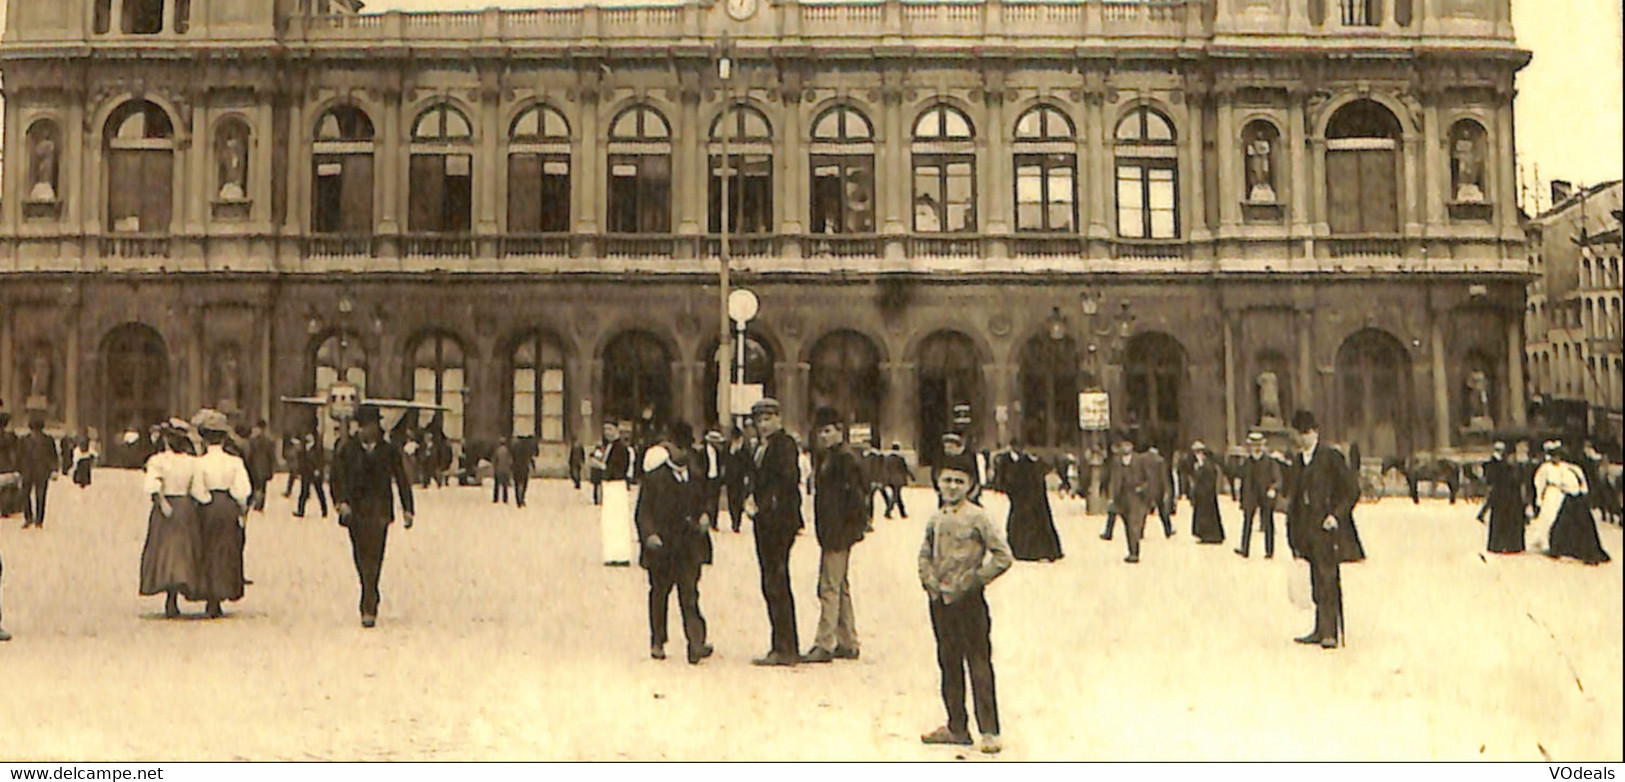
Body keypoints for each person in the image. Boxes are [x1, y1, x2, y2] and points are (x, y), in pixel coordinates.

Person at [918, 458, 1012, 755]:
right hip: (941, 602)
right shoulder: (936, 518)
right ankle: (956, 726)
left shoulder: (978, 518)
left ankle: (989, 730)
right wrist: (929, 582)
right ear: (938, 483)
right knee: (948, 662)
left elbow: (1003, 556)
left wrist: (976, 580)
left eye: (959, 481)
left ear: (971, 485)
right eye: (947, 480)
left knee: (978, 662)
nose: (952, 487)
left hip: (969, 602)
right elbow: (924, 554)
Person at [330, 405, 416, 627]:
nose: (372, 430)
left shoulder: (388, 451)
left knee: (375, 557)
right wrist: (340, 503)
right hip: (355, 512)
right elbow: (336, 478)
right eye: (368, 426)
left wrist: (408, 508)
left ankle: (368, 603)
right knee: (360, 557)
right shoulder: (347, 449)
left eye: (375, 425)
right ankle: (370, 590)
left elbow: (401, 479)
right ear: (360, 427)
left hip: (379, 511)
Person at [635, 420, 714, 664]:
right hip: (662, 548)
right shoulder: (655, 478)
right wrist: (650, 535)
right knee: (660, 594)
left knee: (689, 594)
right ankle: (658, 640)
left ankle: (696, 642)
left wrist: (706, 515)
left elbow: (707, 500)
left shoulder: (696, 474)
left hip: (689, 546)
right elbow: (643, 511)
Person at [1284, 410, 1361, 650]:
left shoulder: (1330, 457)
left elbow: (1351, 490)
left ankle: (1330, 632)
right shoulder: (1297, 462)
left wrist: (1335, 516)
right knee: (1316, 579)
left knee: (1328, 578)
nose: (1303, 438)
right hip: (1306, 529)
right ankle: (1319, 629)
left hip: (1327, 529)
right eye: (1300, 434)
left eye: (1307, 433)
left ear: (1315, 432)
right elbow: (1294, 498)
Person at [804, 407, 868, 664]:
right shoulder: (832, 457)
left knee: (829, 586)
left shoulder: (842, 459)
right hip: (834, 530)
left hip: (837, 531)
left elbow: (855, 497)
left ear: (839, 431)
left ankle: (825, 642)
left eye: (828, 431)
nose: (824, 436)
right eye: (821, 432)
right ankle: (848, 640)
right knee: (839, 585)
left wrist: (850, 528)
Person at [747, 397, 804, 667]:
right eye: (759, 420)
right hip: (765, 521)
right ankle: (780, 643)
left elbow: (786, 480)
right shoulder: (762, 446)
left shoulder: (784, 445)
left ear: (779, 419)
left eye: (768, 419)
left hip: (778, 522)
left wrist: (764, 504)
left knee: (777, 581)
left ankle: (786, 647)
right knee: (771, 582)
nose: (764, 424)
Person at [140, 420, 209, 618]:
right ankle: (177, 591)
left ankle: (170, 596)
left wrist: (162, 502)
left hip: (166, 507)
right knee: (183, 550)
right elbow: (198, 491)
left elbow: (152, 485)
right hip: (185, 506)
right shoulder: (192, 462)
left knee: (164, 549)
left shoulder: (157, 460)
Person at [191, 409, 252, 619]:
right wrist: (240, 509)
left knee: (207, 549)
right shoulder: (234, 462)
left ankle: (210, 595)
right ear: (224, 438)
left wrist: (207, 501)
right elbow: (243, 490)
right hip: (228, 505)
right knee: (226, 549)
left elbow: (197, 490)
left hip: (208, 508)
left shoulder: (199, 463)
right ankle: (222, 591)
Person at [1534, 441, 1610, 564]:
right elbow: (1539, 483)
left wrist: (1582, 492)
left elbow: (1579, 481)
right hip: (1551, 494)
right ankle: (1546, 542)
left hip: (1567, 495)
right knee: (1549, 518)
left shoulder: (1569, 468)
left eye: (1558, 455)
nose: (1556, 458)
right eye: (1554, 455)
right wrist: (1539, 499)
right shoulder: (1545, 468)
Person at [1002, 441, 1063, 562]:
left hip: (1031, 499)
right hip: (1027, 499)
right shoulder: (1024, 463)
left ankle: (1029, 550)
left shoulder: (1027, 463)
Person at [1106, 437, 1155, 563]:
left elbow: (1148, 479)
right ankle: (1131, 550)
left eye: (1128, 445)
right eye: (1123, 445)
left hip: (1135, 497)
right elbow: (1113, 479)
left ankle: (1134, 553)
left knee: (1133, 525)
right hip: (1121, 497)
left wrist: (1142, 489)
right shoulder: (1116, 462)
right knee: (1127, 525)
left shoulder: (1140, 460)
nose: (1126, 447)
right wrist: (1111, 497)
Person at [1235, 432, 1282, 558]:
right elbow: (1242, 478)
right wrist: (1240, 495)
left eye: (1258, 445)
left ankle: (1269, 550)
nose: (1255, 448)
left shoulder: (1270, 461)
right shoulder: (1247, 462)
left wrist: (1273, 488)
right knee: (1247, 521)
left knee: (1268, 522)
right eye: (1253, 445)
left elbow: (1277, 479)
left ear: (1262, 446)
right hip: (1251, 495)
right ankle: (1244, 549)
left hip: (1266, 495)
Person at [596, 421, 635, 566]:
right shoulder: (608, 447)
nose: (607, 432)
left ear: (617, 430)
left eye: (610, 429)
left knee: (618, 522)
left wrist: (603, 467)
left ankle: (621, 554)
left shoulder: (621, 449)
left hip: (617, 485)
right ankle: (612, 554)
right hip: (609, 486)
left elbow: (619, 469)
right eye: (605, 429)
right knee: (610, 522)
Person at [1483, 441, 1527, 554]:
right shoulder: (1504, 467)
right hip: (1504, 497)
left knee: (1511, 522)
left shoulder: (1517, 467)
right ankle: (1501, 544)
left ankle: (1512, 545)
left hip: (1512, 498)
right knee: (1502, 521)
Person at [18, 415, 56, 529]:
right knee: (39, 496)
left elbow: (20, 456)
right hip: (39, 471)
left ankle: (30, 518)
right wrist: (53, 469)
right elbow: (53, 456)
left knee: (28, 495)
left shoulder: (25, 440)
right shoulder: (48, 440)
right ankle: (37, 519)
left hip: (31, 471)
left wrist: (19, 469)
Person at [1188, 442, 1225, 544]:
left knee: (1208, 516)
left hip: (1206, 495)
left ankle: (1210, 536)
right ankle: (1204, 535)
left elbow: (1208, 479)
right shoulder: (1202, 464)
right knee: (1205, 515)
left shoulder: (1208, 465)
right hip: (1203, 495)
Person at [724, 428, 752, 533]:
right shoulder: (728, 448)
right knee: (731, 500)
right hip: (730, 479)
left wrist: (747, 476)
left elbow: (748, 463)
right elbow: (725, 461)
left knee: (739, 500)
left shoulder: (744, 449)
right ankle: (734, 520)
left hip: (740, 479)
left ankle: (737, 521)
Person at [244, 420, 276, 512]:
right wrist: (271, 469)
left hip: (254, 466)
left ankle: (254, 502)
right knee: (262, 487)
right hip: (264, 467)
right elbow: (272, 456)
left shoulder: (252, 440)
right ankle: (260, 505)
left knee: (255, 486)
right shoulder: (269, 441)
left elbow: (249, 454)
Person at [1144, 446, 1176, 537]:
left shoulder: (1142, 460)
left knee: (1143, 512)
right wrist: (1167, 490)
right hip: (1158, 489)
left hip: (1146, 488)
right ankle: (1168, 530)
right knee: (1162, 512)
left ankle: (1140, 531)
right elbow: (1164, 477)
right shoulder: (1160, 461)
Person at [295, 432, 329, 518]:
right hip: (306, 473)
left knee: (319, 491)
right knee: (304, 492)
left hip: (314, 473)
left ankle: (324, 510)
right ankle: (300, 510)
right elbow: (301, 462)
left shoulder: (316, 449)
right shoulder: (303, 450)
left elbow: (320, 460)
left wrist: (318, 469)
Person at [883, 442, 913, 519]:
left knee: (897, 495)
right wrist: (912, 476)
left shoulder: (887, 458)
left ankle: (902, 512)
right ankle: (888, 511)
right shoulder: (900, 459)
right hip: (898, 479)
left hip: (889, 479)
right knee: (895, 496)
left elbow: (885, 469)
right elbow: (905, 469)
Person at [513, 435, 536, 508]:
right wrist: (533, 466)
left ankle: (518, 500)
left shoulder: (515, 449)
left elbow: (512, 459)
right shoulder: (527, 449)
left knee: (516, 484)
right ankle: (522, 498)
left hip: (516, 468)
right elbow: (531, 458)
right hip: (524, 468)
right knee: (524, 484)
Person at [491, 437, 514, 505]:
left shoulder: (497, 451)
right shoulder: (507, 451)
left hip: (498, 470)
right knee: (505, 486)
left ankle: (496, 498)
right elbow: (510, 461)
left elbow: (494, 461)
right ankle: (505, 499)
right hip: (505, 470)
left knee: (496, 485)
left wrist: (495, 468)